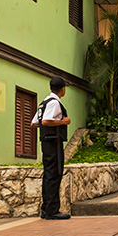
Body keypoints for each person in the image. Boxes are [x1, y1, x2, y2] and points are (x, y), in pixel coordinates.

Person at [32, 77, 72, 220]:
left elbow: (34, 123)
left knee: (49, 174)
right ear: (62, 89)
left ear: (50, 88)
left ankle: (46, 208)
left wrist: (46, 126)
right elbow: (45, 121)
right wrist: (63, 122)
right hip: (53, 142)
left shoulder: (44, 103)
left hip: (46, 142)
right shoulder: (54, 103)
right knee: (54, 174)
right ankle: (52, 210)